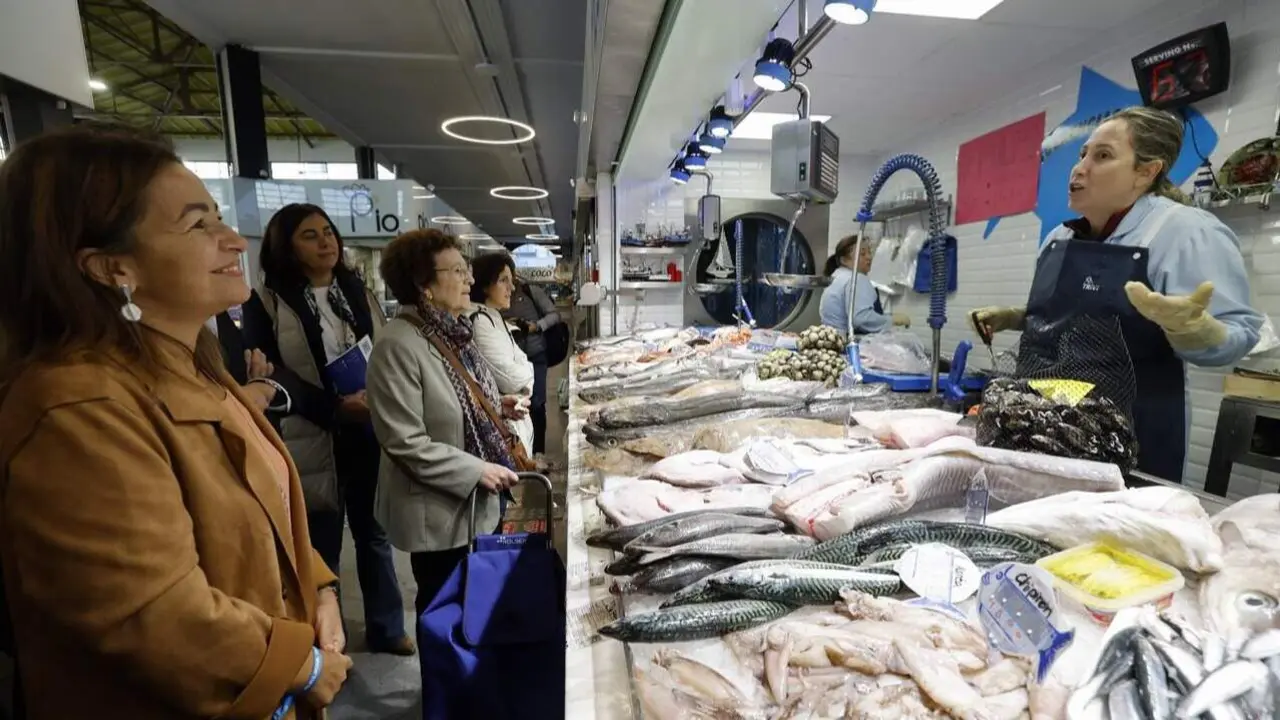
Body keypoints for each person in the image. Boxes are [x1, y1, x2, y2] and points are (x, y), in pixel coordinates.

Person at [0, 124, 350, 719]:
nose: (233, 241)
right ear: (111, 267)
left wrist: (319, 588)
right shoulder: (78, 407)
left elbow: (261, 510)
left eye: (219, 217)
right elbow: (149, 613)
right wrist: (303, 664)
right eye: (198, 225)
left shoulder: (192, 365)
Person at [972, 106, 1263, 482]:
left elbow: (1238, 332)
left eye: (1103, 156)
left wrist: (1194, 331)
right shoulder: (1059, 238)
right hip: (1040, 427)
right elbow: (1067, 321)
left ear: (1146, 171)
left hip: (1129, 439)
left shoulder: (1184, 231)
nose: (1080, 169)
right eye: (1083, 154)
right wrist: (1016, 317)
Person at [240, 204, 413, 655]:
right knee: (320, 542)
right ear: (286, 246)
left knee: (375, 533)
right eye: (310, 235)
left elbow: (381, 348)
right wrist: (335, 408)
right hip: (310, 432)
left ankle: (387, 627)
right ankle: (324, 644)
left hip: (366, 428)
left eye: (329, 232)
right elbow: (268, 372)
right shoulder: (267, 301)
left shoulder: (356, 291)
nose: (325, 242)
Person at [365, 229, 522, 617]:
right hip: (439, 515)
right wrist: (476, 470)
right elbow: (404, 442)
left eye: (466, 269)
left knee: (479, 604)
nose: (469, 279)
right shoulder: (397, 343)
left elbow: (454, 397)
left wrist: (494, 407)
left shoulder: (451, 331)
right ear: (424, 285)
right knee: (445, 611)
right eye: (456, 271)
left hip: (476, 504)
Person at [468, 251, 536, 454]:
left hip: (514, 424)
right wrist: (528, 373)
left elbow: (521, 361)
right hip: (504, 432)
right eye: (503, 280)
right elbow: (512, 379)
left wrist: (524, 372)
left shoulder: (493, 316)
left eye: (511, 280)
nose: (511, 288)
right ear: (485, 284)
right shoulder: (480, 321)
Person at [503, 278, 565, 455]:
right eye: (502, 279)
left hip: (535, 356)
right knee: (516, 407)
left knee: (536, 405)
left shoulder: (530, 291)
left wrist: (536, 326)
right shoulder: (493, 303)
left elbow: (554, 315)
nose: (509, 286)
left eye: (509, 277)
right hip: (511, 361)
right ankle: (523, 453)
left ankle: (538, 453)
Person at [819, 235, 909, 334]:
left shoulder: (837, 275)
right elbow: (861, 319)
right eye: (862, 254)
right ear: (844, 260)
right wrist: (891, 320)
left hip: (831, 337)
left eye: (869, 252)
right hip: (848, 339)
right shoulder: (856, 278)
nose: (869, 257)